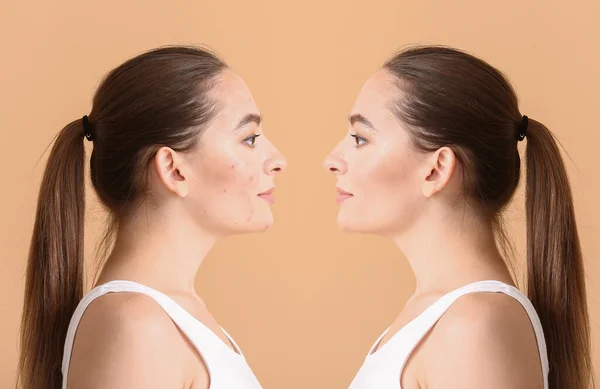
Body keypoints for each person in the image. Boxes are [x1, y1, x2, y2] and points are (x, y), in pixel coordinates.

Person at [324, 45, 594, 389]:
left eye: (360, 138)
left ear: (437, 169)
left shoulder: (472, 325)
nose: (332, 159)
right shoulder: (440, 316)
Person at [18, 45, 286, 389]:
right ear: (173, 170)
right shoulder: (137, 326)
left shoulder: (171, 317)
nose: (277, 159)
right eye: (249, 138)